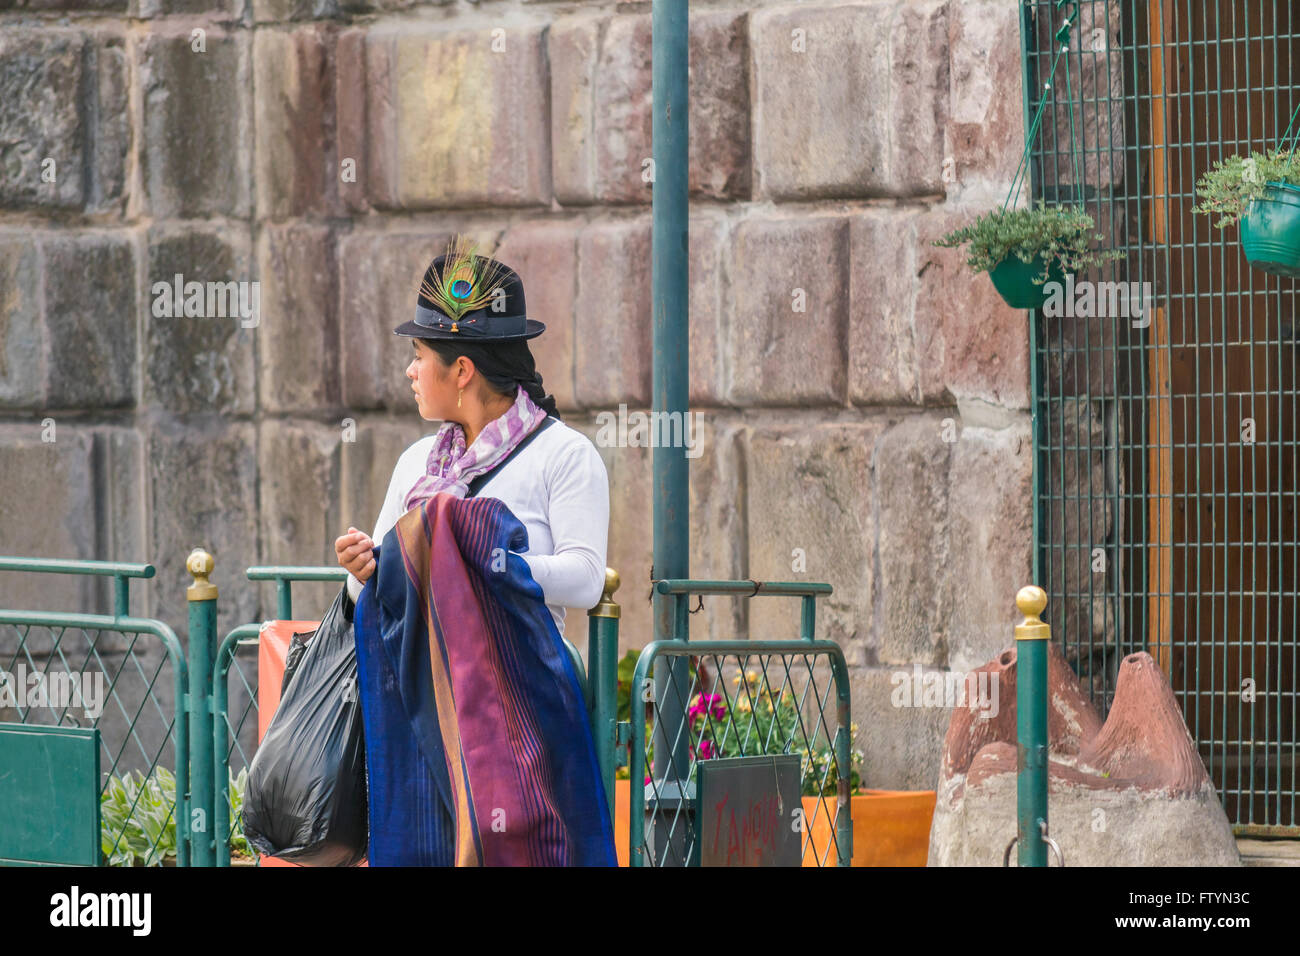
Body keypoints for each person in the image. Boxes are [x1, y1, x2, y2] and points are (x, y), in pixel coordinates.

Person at [334, 237, 610, 636]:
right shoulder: (416, 461)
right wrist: (361, 572)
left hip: (513, 690)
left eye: (418, 356)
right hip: (418, 688)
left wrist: (491, 561)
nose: (410, 372)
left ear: (462, 371)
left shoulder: (564, 454)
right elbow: (373, 597)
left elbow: (587, 579)